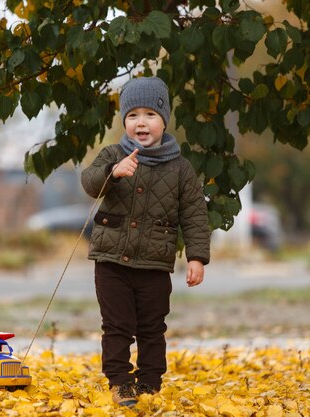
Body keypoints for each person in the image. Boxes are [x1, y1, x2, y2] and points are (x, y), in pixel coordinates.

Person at [81, 76, 210, 407]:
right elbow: (90, 183)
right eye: (133, 115)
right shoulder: (113, 154)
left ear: (163, 120)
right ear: (124, 121)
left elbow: (195, 214)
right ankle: (120, 382)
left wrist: (196, 257)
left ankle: (150, 382)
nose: (141, 122)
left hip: (154, 265)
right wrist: (113, 171)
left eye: (150, 114)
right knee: (117, 326)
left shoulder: (180, 168)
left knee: (153, 327)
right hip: (112, 262)